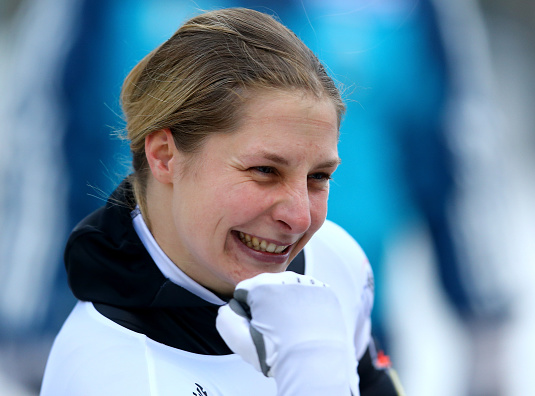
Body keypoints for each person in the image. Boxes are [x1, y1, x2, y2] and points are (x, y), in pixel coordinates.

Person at [39, 7, 404, 396]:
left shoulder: (336, 259)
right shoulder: (110, 374)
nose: (300, 218)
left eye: (319, 177)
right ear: (164, 156)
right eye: (265, 170)